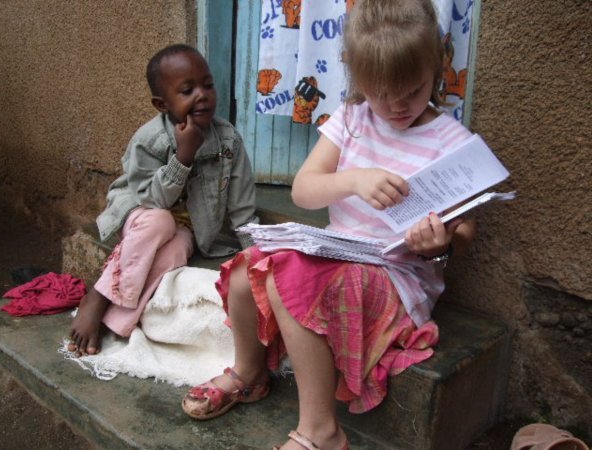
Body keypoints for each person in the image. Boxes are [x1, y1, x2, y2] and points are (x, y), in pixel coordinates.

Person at [182, 0, 477, 448]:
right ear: (358, 81)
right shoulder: (353, 120)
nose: (397, 106)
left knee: (288, 277)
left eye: (413, 91)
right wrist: (354, 180)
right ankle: (249, 372)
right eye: (382, 94)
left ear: (436, 70)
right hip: (337, 252)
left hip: (395, 275)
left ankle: (321, 431)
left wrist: (437, 244)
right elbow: (303, 191)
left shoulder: (452, 143)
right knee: (246, 271)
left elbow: (466, 230)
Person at [68, 44, 258, 356]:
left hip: (189, 227)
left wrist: (254, 254)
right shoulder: (150, 139)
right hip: (143, 216)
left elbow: (242, 209)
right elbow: (151, 199)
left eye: (207, 85)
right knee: (160, 221)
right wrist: (183, 155)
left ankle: (116, 321)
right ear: (162, 103)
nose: (202, 95)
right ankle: (98, 297)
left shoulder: (228, 141)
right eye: (187, 90)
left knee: (175, 253)